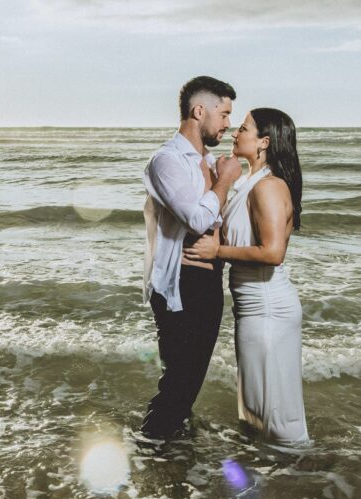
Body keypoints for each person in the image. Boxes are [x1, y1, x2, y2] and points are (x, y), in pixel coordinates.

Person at [184, 108, 309, 445]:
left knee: (276, 415)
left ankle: (303, 477)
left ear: (264, 142)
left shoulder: (268, 187)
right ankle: (276, 476)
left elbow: (272, 253)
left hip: (268, 308)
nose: (236, 133)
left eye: (244, 128)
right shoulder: (247, 183)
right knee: (256, 409)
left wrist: (216, 252)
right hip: (251, 307)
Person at [141, 76, 242, 439]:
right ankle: (151, 447)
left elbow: (213, 223)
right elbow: (197, 218)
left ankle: (173, 445)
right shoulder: (166, 161)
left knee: (191, 378)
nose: (229, 123)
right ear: (200, 111)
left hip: (208, 279)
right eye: (225, 113)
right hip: (179, 284)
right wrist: (225, 181)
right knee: (179, 381)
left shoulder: (211, 161)